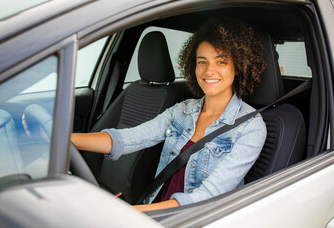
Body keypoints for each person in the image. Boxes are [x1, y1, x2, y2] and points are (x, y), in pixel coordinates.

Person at [72, 17, 267, 212]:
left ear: (239, 67)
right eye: (202, 62)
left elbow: (207, 197)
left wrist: (128, 214)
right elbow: (129, 139)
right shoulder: (182, 110)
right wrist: (64, 140)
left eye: (221, 61)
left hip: (194, 218)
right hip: (155, 210)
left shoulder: (250, 127)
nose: (209, 70)